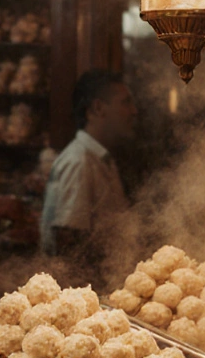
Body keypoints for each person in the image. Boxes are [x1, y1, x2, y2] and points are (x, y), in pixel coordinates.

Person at [40, 69, 138, 273]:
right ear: (98, 108)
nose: (134, 111)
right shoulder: (79, 161)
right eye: (126, 102)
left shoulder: (101, 159)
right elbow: (68, 243)